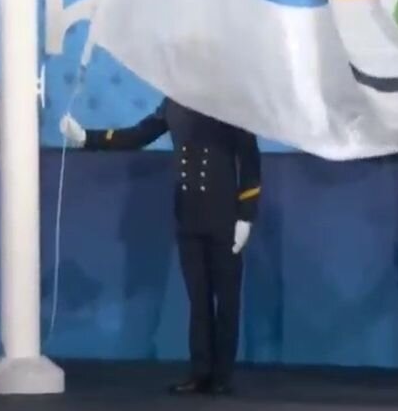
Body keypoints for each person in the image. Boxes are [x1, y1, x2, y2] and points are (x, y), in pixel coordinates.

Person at [60, 99, 261, 395]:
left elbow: (250, 161)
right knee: (199, 302)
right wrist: (87, 138)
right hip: (188, 216)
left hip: (225, 217)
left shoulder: (228, 99)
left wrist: (246, 215)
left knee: (227, 301)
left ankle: (222, 375)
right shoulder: (174, 103)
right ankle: (200, 371)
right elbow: (138, 135)